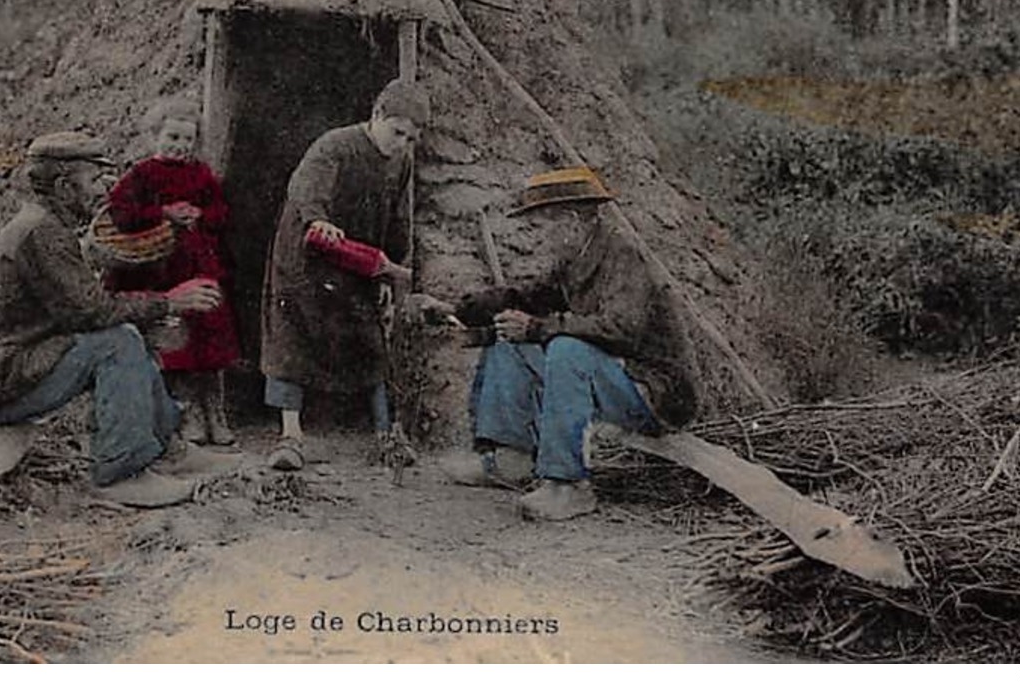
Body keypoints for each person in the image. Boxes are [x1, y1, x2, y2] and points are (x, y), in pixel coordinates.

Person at [0, 131, 229, 506]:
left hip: (3, 372)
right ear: (64, 187)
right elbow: (92, 312)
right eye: (94, 179)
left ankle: (168, 451)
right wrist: (168, 302)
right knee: (118, 342)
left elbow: (82, 306)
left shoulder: (42, 224)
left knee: (124, 333)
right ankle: (118, 474)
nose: (104, 189)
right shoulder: (40, 232)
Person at [436, 168, 699, 522]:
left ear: (572, 221)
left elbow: (622, 329)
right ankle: (511, 458)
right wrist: (460, 309)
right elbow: (525, 298)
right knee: (509, 333)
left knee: (566, 348)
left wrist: (540, 327)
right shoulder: (574, 259)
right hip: (614, 376)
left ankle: (570, 485)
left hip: (654, 391)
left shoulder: (624, 257)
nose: (537, 236)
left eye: (542, 225)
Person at [259, 78, 428, 471]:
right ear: (376, 116)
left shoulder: (401, 162)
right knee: (292, 337)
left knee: (370, 340)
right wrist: (319, 219)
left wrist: (388, 273)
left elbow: (398, 216)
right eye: (396, 132)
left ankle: (387, 434)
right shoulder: (334, 145)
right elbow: (305, 188)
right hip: (307, 255)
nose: (401, 143)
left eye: (410, 138)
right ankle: (290, 436)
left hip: (354, 259)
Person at [104, 97, 240, 447]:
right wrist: (163, 213)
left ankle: (215, 410)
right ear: (155, 136)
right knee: (177, 343)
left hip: (201, 266)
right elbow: (120, 213)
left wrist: (201, 216)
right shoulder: (142, 174)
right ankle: (187, 411)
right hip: (164, 271)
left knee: (210, 337)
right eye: (173, 138)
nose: (179, 146)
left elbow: (222, 212)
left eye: (187, 140)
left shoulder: (201, 174)